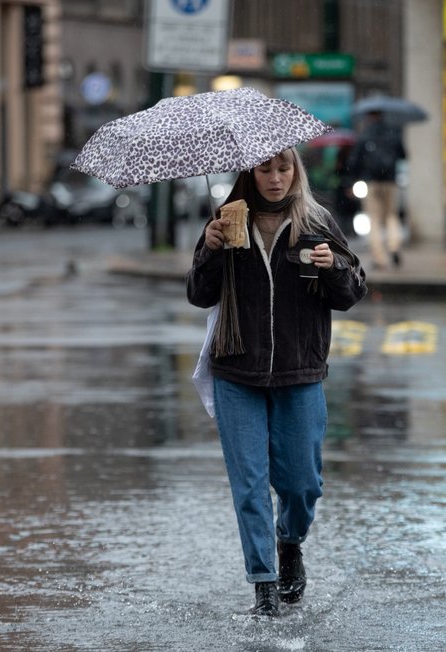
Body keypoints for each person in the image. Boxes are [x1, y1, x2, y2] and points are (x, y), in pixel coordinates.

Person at [186, 147, 367, 618]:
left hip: (299, 370)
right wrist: (209, 248)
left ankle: (291, 542)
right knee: (249, 486)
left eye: (283, 168)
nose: (275, 178)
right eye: (265, 169)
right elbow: (198, 294)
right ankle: (263, 584)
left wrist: (336, 268)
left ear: (295, 170)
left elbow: (351, 294)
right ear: (250, 172)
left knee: (302, 482)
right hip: (237, 369)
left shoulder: (316, 220)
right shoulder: (225, 222)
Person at [346, 110, 406, 270]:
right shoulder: (393, 133)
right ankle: (394, 246)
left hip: (371, 182)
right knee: (391, 215)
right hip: (390, 181)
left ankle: (379, 258)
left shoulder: (364, 135)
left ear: (369, 117)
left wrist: (352, 180)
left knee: (374, 219)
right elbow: (403, 155)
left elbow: (353, 161)